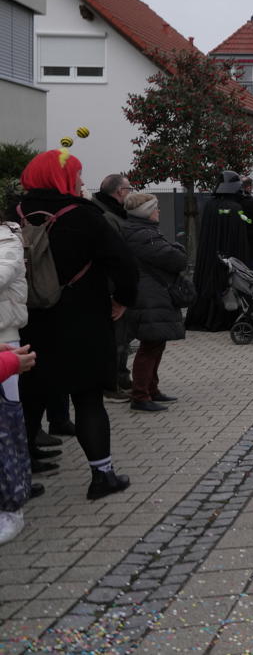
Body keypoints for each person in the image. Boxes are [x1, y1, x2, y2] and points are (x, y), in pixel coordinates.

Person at [18, 149, 138, 500]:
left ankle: (21, 471)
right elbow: (124, 263)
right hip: (82, 320)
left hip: (29, 321)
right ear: (62, 178)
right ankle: (102, 476)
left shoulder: (16, 212)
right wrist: (122, 300)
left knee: (29, 396)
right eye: (78, 174)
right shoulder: (85, 216)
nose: (82, 181)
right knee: (88, 399)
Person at [120, 193, 186, 412]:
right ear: (146, 212)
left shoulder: (138, 231)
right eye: (155, 208)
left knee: (156, 343)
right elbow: (176, 259)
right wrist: (178, 248)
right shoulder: (143, 235)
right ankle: (140, 395)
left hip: (150, 294)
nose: (159, 211)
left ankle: (151, 389)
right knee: (150, 346)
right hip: (149, 296)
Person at [0, 215, 35, 544]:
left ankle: (12, 508)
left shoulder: (7, 240)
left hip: (5, 336)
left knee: (7, 422)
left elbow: (2, 276)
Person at [186, 171, 250, 332]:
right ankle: (226, 318)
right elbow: (240, 238)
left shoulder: (209, 206)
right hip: (229, 256)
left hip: (210, 255)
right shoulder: (236, 208)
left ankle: (204, 317)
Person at [91, 173, 134, 400]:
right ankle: (112, 383)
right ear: (119, 192)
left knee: (123, 337)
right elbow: (115, 258)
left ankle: (121, 376)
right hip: (111, 289)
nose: (130, 193)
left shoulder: (114, 213)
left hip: (116, 286)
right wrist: (119, 293)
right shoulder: (108, 217)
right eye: (129, 189)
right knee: (116, 338)